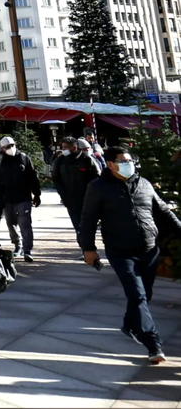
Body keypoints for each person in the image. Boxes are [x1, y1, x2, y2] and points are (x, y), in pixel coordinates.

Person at [79, 147, 181, 365]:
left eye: (130, 159)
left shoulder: (143, 183)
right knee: (137, 295)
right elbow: (88, 219)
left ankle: (129, 324)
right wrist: (88, 248)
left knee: (145, 295)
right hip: (120, 251)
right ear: (110, 164)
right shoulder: (98, 187)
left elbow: (163, 211)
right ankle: (153, 343)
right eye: (123, 160)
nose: (129, 163)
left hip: (149, 250)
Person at [0, 136, 42, 262]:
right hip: (7, 198)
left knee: (25, 223)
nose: (10, 148)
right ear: (3, 149)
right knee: (11, 224)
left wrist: (37, 194)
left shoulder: (24, 158)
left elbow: (33, 176)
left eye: (12, 145)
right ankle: (17, 245)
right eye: (7, 147)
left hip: (23, 197)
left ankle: (27, 250)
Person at [52, 136, 100, 238]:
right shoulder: (60, 161)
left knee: (88, 225)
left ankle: (88, 246)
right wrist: (63, 194)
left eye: (66, 147)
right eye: (62, 147)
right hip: (70, 200)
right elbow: (56, 179)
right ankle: (85, 248)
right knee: (78, 227)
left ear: (74, 148)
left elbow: (96, 178)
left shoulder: (87, 160)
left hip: (87, 199)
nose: (63, 150)